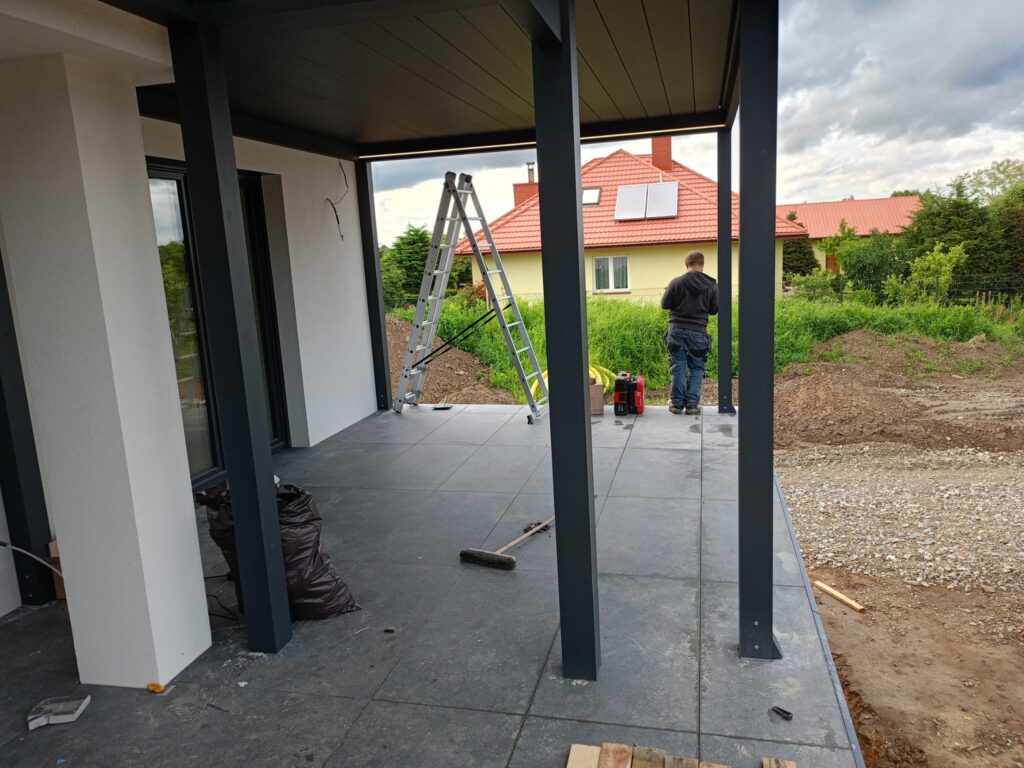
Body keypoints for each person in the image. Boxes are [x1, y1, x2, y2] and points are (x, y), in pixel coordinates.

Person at [660, 250, 719, 415]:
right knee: (697, 367)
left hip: (676, 330)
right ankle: (692, 405)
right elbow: (714, 309)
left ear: (687, 264)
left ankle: (677, 404)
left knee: (678, 365)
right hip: (698, 332)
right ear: (702, 264)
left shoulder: (676, 283)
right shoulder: (712, 285)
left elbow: (664, 304)